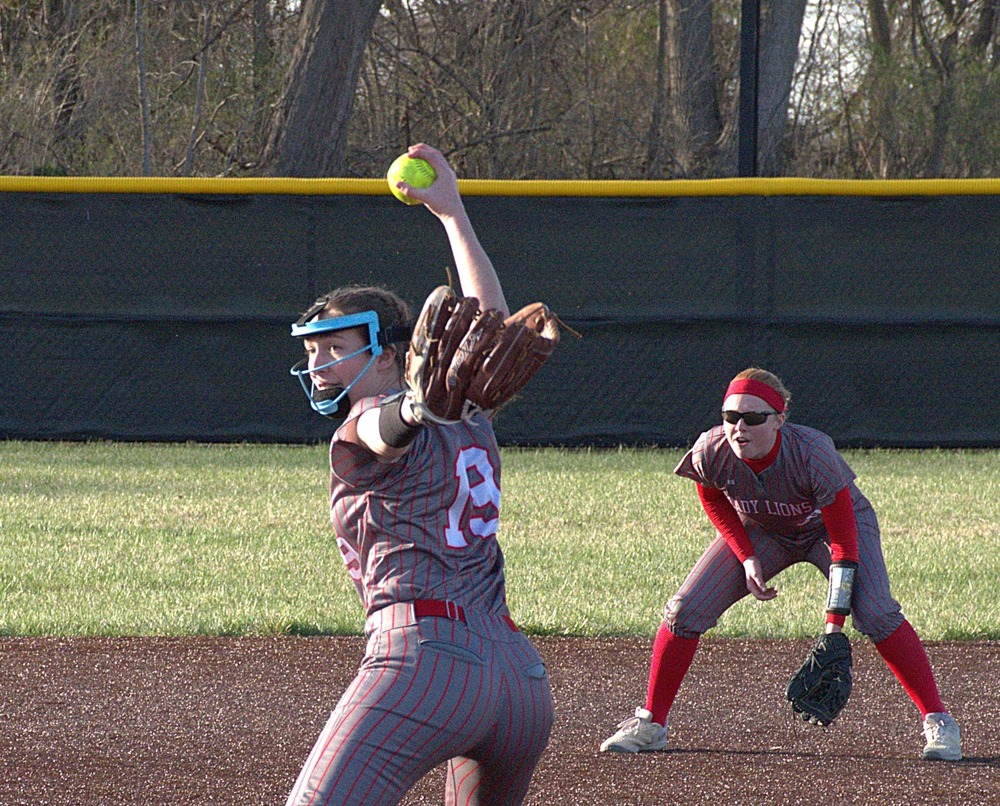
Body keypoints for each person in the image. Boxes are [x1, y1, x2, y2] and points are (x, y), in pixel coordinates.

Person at [284, 144, 554, 806]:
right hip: (519, 680)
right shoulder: (470, 412)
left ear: (391, 356)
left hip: (426, 664)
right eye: (312, 349)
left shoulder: (376, 414)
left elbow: (383, 430)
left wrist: (410, 406)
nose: (319, 363)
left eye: (336, 348)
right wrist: (453, 214)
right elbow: (489, 324)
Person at [600, 367, 962, 761]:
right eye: (730, 417)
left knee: (877, 612)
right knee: (684, 611)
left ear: (780, 419)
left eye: (753, 418)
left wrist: (833, 627)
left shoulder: (813, 453)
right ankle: (651, 723)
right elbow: (713, 497)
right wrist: (746, 555)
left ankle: (938, 720)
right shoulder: (711, 450)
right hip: (767, 531)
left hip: (832, 530)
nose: (739, 427)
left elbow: (842, 541)